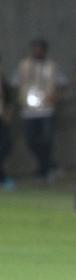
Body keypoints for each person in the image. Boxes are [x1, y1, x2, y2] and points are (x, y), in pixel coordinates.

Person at [16, 38, 66, 181]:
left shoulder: (51, 66)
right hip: (29, 110)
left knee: (47, 140)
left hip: (46, 109)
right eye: (35, 48)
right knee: (31, 140)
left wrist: (55, 96)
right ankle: (47, 165)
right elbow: (15, 83)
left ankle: (45, 169)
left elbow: (62, 83)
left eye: (40, 49)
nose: (37, 51)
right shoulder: (24, 65)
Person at [0, 59, 13, 190]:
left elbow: (9, 98)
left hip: (1, 118)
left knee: (6, 146)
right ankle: (2, 177)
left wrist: (8, 114)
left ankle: (2, 176)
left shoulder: (2, 79)